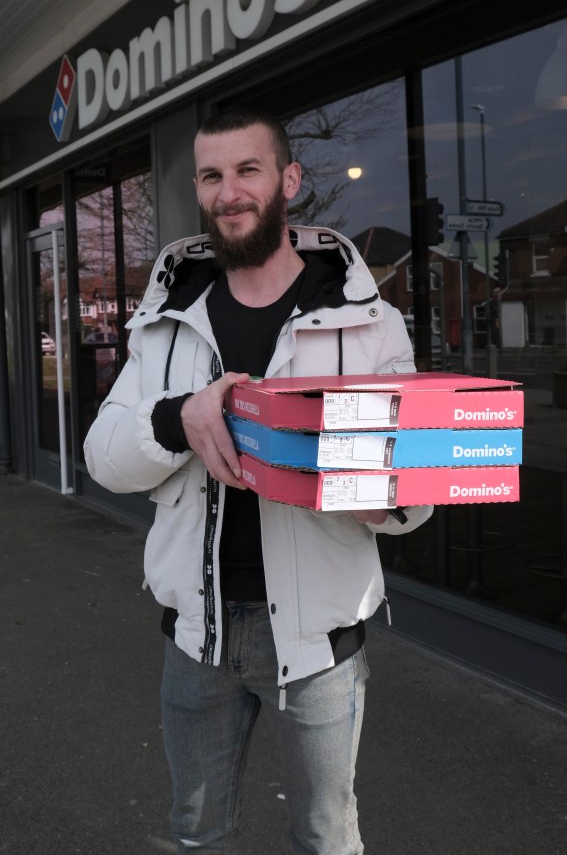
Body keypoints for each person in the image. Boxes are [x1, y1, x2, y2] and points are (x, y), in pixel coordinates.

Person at [84, 107, 433, 854]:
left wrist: (386, 497)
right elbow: (104, 458)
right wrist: (180, 418)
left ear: (288, 180)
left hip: (317, 646)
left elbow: (417, 493)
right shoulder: (166, 319)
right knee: (196, 833)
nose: (228, 191)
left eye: (248, 170)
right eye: (211, 176)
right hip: (195, 638)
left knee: (326, 835)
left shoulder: (367, 324)